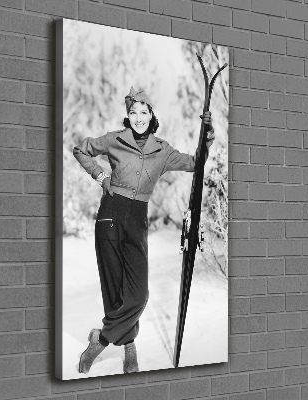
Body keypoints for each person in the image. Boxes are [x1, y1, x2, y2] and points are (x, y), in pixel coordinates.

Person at [73, 86, 215, 374]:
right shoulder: (114, 140)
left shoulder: (162, 151)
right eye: (133, 112)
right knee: (114, 288)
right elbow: (81, 149)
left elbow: (195, 163)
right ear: (128, 116)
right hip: (110, 215)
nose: (138, 117)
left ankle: (99, 340)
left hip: (137, 219)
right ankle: (129, 347)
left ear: (152, 116)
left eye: (144, 112)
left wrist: (207, 135)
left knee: (138, 293)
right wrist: (100, 175)